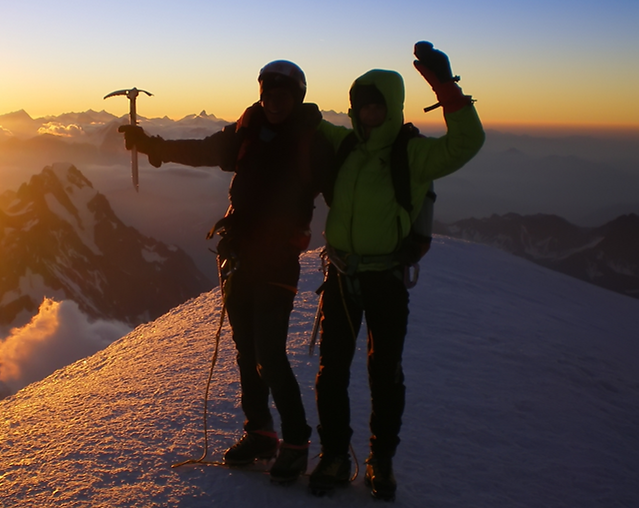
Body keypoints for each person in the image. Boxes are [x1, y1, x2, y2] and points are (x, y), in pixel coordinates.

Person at [118, 60, 333, 483]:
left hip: (276, 262)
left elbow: (346, 184)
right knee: (247, 352)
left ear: (297, 98)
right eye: (268, 95)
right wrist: (151, 146)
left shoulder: (313, 141)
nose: (273, 103)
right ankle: (260, 433)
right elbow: (202, 150)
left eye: (282, 96)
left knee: (268, 354)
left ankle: (295, 441)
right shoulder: (247, 132)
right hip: (239, 258)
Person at [308, 42, 485, 500]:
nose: (367, 113)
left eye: (376, 105)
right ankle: (333, 454)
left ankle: (380, 460)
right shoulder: (344, 143)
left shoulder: (413, 154)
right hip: (343, 278)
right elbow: (308, 126)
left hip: (384, 279)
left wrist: (448, 90)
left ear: (391, 108)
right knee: (332, 372)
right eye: (361, 105)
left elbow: (468, 142)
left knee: (384, 373)